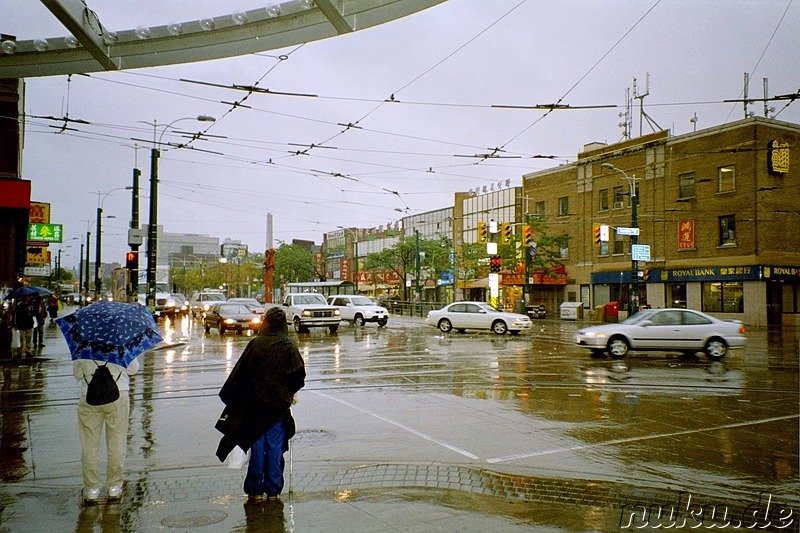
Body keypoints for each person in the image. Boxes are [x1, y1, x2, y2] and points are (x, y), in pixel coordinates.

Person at [215, 307, 305, 502]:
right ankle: (273, 491)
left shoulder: (255, 344)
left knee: (256, 447)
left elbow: (241, 373)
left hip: (254, 407)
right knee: (274, 448)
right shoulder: (289, 345)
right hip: (277, 408)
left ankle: (254, 490)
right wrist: (289, 392)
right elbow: (298, 375)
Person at [74, 356, 139, 504]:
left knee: (89, 445)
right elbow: (133, 369)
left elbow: (78, 374)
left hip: (89, 395)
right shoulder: (120, 339)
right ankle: (114, 487)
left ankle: (91, 490)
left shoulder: (84, 342)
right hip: (119, 393)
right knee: (117, 441)